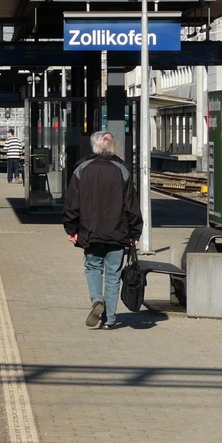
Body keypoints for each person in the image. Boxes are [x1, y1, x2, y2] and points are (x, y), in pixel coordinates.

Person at [62, 130, 143, 329]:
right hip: (118, 232)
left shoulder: (81, 169)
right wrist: (135, 233)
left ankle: (97, 300)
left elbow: (72, 203)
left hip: (90, 231)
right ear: (114, 147)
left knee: (93, 268)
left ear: (95, 146)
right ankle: (111, 320)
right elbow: (132, 205)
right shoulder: (122, 170)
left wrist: (71, 229)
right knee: (113, 274)